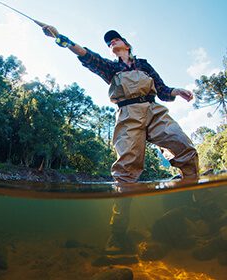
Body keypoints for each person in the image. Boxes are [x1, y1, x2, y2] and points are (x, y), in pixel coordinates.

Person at [42, 27, 199, 254]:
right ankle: (117, 235)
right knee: (125, 171)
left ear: (126, 44)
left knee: (185, 148)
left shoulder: (144, 65)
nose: (111, 42)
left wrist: (178, 91)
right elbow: (86, 56)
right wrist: (60, 38)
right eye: (109, 42)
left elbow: (163, 90)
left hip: (154, 110)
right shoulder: (110, 67)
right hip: (127, 115)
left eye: (115, 39)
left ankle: (189, 206)